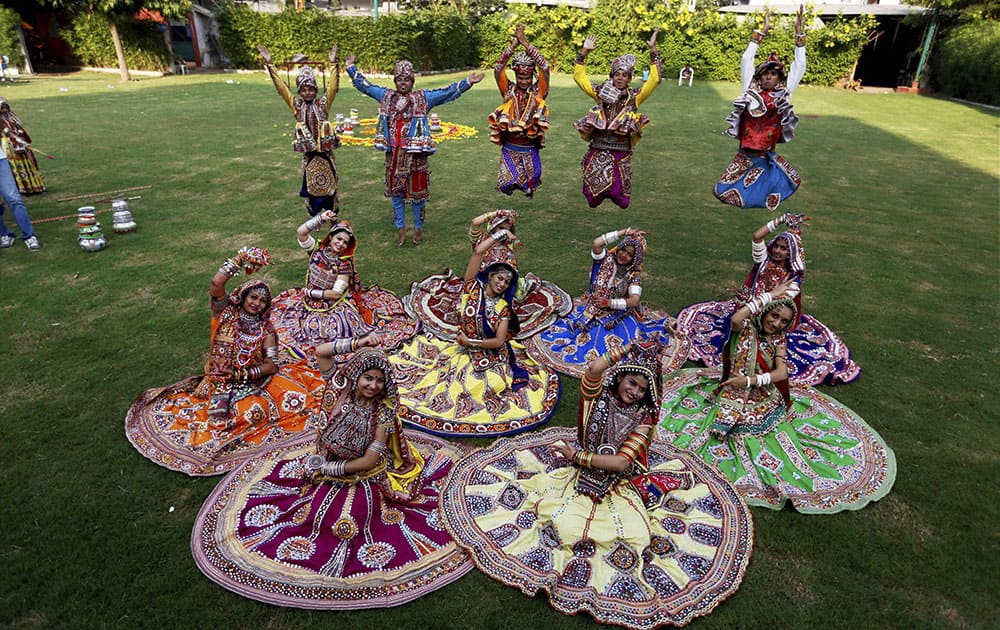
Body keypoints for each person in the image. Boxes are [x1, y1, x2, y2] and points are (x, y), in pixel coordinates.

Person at [437, 343, 754, 628]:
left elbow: (619, 464)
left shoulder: (643, 419)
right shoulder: (599, 398)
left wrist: (579, 456)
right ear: (619, 379)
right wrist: (624, 352)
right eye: (631, 382)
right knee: (556, 521)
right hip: (578, 476)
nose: (634, 392)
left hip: (616, 484)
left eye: (643, 389)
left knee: (635, 536)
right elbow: (593, 370)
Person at [192, 347, 474, 608]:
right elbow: (322, 353)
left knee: (349, 522)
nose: (373, 386)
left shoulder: (383, 414)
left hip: (365, 477)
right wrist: (359, 341)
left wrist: (327, 469)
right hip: (329, 465)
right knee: (303, 514)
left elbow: (370, 460)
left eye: (379, 381)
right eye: (367, 378)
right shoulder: (339, 393)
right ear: (356, 375)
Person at [658, 284, 896, 513]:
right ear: (765, 312)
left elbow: (781, 373)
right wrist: (770, 294)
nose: (776, 323)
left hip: (760, 396)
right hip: (731, 390)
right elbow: (735, 319)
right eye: (773, 316)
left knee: (756, 436)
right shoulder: (746, 328)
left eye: (783, 321)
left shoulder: (778, 340)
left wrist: (750, 382)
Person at [125, 247, 326, 475]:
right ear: (243, 296)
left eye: (262, 301)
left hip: (253, 380)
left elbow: (272, 366)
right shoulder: (225, 313)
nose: (257, 303)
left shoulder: (266, 330)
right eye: (253, 297)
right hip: (220, 382)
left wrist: (241, 375)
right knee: (226, 421)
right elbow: (216, 284)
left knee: (279, 405)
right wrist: (238, 260)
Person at [389, 234, 560, 437]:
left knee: (473, 388)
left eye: (507, 282)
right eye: (499, 278)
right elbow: (478, 251)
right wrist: (499, 235)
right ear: (489, 275)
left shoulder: (502, 308)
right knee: (434, 381)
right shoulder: (471, 288)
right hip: (462, 349)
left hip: (491, 357)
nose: (502, 284)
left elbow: (498, 341)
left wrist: (469, 341)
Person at [674, 212, 860, 386]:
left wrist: (765, 301)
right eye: (777, 246)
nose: (778, 251)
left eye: (784, 249)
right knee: (732, 331)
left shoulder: (792, 280)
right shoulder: (763, 260)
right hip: (748, 310)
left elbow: (780, 307)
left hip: (768, 316)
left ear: (792, 253)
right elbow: (757, 236)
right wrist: (779, 220)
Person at [346, 55, 484, 246]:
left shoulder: (422, 99)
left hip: (416, 156)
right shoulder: (386, 96)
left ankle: (418, 228)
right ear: (395, 81)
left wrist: (468, 82)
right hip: (394, 155)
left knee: (418, 195)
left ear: (412, 81)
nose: (403, 83)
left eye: (407, 79)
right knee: (396, 194)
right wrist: (351, 67)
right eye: (400, 79)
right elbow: (366, 86)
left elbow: (446, 92)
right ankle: (400, 228)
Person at [526, 227, 688, 378]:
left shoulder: (633, 276)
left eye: (629, 254)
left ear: (635, 259)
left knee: (609, 343)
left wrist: (608, 303)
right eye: (623, 249)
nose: (623, 254)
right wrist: (624, 231)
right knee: (578, 334)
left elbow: (633, 300)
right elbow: (597, 243)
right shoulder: (605, 260)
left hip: (616, 315)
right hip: (592, 308)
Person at [268, 214, 421, 367]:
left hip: (333, 305)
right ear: (331, 237)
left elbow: (336, 293)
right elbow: (301, 232)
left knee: (332, 330)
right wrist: (321, 218)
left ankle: (350, 344)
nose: (340, 244)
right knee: (305, 326)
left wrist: (310, 293)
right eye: (338, 239)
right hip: (310, 303)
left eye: (344, 242)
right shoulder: (317, 250)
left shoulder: (344, 264)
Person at [403, 209, 571, 341]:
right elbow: (475, 223)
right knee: (466, 311)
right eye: (500, 228)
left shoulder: (509, 249)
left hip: (499, 290)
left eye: (507, 229)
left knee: (499, 315)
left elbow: (509, 275)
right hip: (476, 284)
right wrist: (497, 213)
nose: (504, 232)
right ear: (493, 228)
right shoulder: (482, 239)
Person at [714, 7, 806, 210]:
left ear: (779, 78)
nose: (768, 77)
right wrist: (760, 33)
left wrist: (799, 35)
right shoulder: (750, 90)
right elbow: (746, 60)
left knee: (763, 193)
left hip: (765, 157)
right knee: (721, 191)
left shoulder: (783, 94)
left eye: (773, 74)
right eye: (765, 74)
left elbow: (799, 66)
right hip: (744, 155)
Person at [574, 30, 662, 209]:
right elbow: (579, 77)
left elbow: (654, 80)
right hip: (598, 147)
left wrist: (653, 50)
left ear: (630, 79)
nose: (620, 78)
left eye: (624, 75)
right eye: (617, 74)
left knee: (620, 196)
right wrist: (584, 52)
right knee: (591, 195)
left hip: (621, 150)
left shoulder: (635, 97)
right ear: (611, 76)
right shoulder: (600, 92)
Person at [259, 45, 341, 216]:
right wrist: (270, 65)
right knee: (311, 189)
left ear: (316, 90)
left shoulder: (323, 105)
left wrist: (333, 63)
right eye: (304, 90)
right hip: (309, 156)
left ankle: (333, 216)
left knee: (331, 187)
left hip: (325, 154)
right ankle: (316, 219)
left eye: (310, 89)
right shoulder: (297, 106)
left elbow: (332, 88)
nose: (307, 92)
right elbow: (283, 91)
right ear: (300, 92)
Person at [488, 24, 549, 197]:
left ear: (532, 77)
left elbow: (545, 68)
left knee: (533, 181)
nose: (523, 81)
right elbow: (498, 68)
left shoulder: (539, 92)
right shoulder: (508, 89)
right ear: (516, 76)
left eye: (527, 77)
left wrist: (525, 43)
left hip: (530, 146)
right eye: (520, 77)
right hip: (510, 146)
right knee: (507, 184)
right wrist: (513, 45)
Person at [0, 97, 45, 194]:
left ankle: (33, 186)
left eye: (6, 107)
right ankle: (21, 187)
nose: (5, 110)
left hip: (19, 142)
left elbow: (19, 128)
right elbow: (6, 131)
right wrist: (15, 138)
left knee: (27, 163)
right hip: (9, 144)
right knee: (15, 166)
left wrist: (21, 138)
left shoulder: (11, 115)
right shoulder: (1, 119)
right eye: (2, 108)